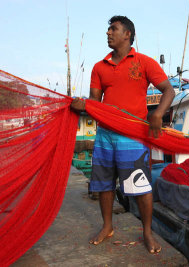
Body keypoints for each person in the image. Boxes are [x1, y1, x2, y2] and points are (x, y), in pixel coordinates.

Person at [71, 15, 175, 254]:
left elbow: (169, 90)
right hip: (105, 135)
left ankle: (147, 233)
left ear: (127, 34)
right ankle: (107, 227)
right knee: (104, 185)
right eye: (108, 29)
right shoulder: (99, 67)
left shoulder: (144, 62)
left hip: (134, 134)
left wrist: (158, 114)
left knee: (141, 186)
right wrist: (83, 105)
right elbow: (95, 103)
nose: (108, 33)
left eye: (113, 29)